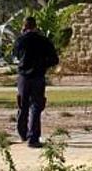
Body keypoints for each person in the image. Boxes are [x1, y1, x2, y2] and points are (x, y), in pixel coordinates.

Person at [13, 16, 59, 148]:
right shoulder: (44, 41)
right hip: (38, 76)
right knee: (36, 106)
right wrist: (43, 64)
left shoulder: (20, 40)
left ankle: (23, 133)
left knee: (23, 105)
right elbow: (54, 59)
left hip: (23, 77)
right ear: (35, 26)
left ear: (24, 26)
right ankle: (33, 138)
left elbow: (15, 56)